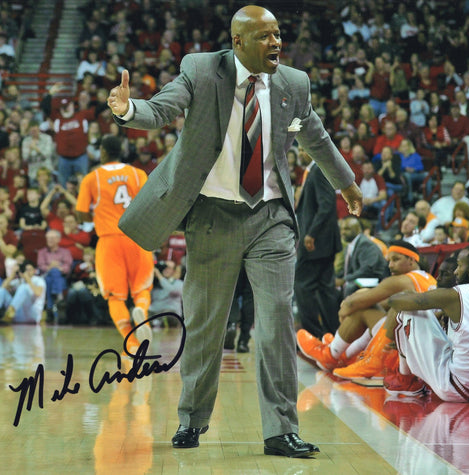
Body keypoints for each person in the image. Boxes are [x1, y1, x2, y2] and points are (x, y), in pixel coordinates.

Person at [106, 5, 362, 456]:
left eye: (279, 34)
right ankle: (191, 420)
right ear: (238, 42)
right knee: (206, 326)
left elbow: (314, 136)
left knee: (278, 321)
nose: (277, 43)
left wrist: (347, 183)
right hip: (213, 215)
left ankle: (281, 429)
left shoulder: (292, 84)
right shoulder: (202, 70)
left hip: (271, 218)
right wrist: (129, 109)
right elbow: (163, 109)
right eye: (265, 37)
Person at [384, 244, 469, 401]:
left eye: (460, 266)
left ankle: (405, 379)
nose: (456, 271)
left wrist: (397, 296)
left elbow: (397, 302)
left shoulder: (456, 294)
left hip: (461, 389)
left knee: (408, 308)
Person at [297, 241, 436, 382]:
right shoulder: (428, 278)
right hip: (420, 346)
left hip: (406, 349)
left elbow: (353, 304)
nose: (390, 265)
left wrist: (344, 311)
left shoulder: (402, 280)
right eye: (389, 261)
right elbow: (382, 304)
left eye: (396, 259)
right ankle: (342, 354)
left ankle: (332, 354)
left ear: (411, 260)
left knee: (362, 308)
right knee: (368, 303)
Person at [76, 135, 154, 356]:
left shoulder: (93, 178)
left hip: (110, 240)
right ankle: (141, 312)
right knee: (142, 289)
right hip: (138, 237)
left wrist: (93, 216)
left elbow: (81, 214)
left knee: (115, 297)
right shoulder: (138, 174)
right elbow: (150, 205)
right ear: (122, 151)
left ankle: (132, 344)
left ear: (102, 152)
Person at [294, 147, 342, 339]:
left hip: (316, 243)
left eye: (303, 149)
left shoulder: (319, 170)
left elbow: (327, 204)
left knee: (302, 285)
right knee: (325, 289)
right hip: (322, 242)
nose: (299, 153)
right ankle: (334, 335)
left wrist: (311, 233)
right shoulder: (314, 171)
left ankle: (311, 334)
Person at [337, 216, 389, 298]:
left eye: (347, 229)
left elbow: (366, 269)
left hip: (374, 278)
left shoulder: (365, 244)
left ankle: (347, 310)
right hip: (360, 277)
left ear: (357, 229)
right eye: (342, 229)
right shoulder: (349, 245)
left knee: (350, 287)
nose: (343, 232)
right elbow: (348, 269)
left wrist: (344, 279)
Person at [37, 229, 73, 320]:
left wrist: (58, 268)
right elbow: (41, 267)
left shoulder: (65, 252)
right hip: (45, 277)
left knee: (52, 277)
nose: (50, 240)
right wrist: (51, 267)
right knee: (52, 273)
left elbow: (67, 267)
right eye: (48, 238)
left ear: (58, 239)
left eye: (52, 238)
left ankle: (50, 307)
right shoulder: (42, 252)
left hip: (61, 278)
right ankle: (59, 297)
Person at [0, 260, 46, 324]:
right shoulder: (21, 281)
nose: (28, 272)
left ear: (34, 270)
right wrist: (12, 274)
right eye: (26, 270)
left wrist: (28, 280)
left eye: (30, 270)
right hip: (19, 315)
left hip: (32, 315)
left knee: (23, 287)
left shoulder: (39, 280)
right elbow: (2, 288)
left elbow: (38, 293)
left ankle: (10, 312)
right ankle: (10, 313)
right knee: (2, 290)